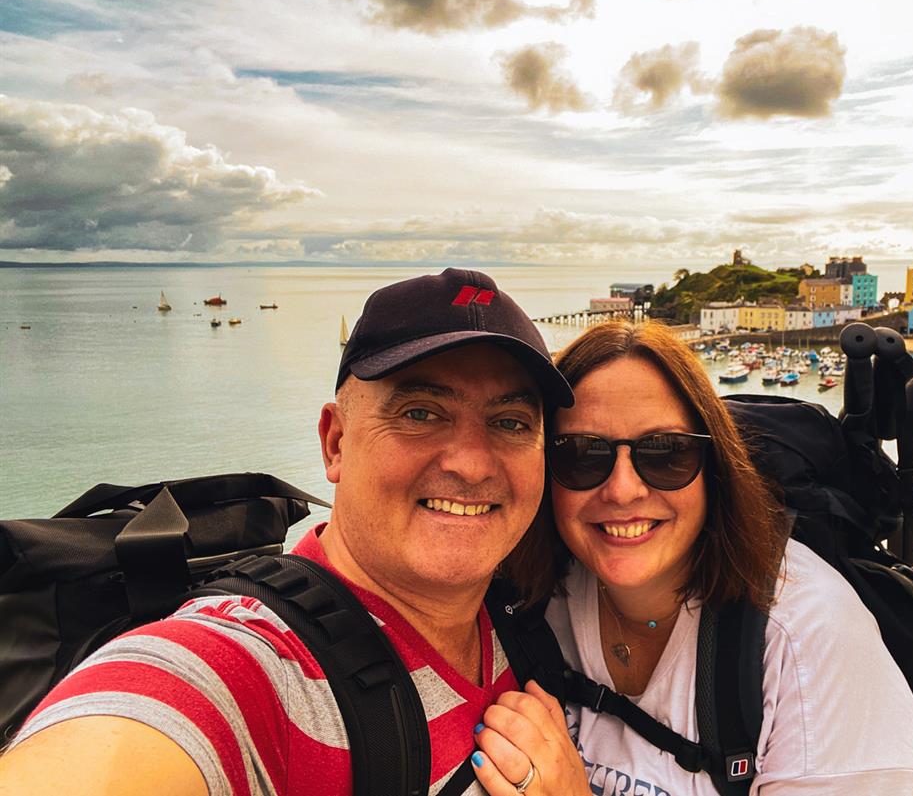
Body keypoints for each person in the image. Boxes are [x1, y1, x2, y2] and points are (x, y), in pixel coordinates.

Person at [0, 268, 575, 796]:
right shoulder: (249, 666)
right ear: (336, 442)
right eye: (421, 413)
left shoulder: (528, 612)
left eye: (510, 422)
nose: (472, 465)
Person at [474, 320, 913, 795]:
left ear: (715, 470)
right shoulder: (532, 600)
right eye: (582, 455)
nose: (623, 490)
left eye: (665, 453)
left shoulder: (808, 638)